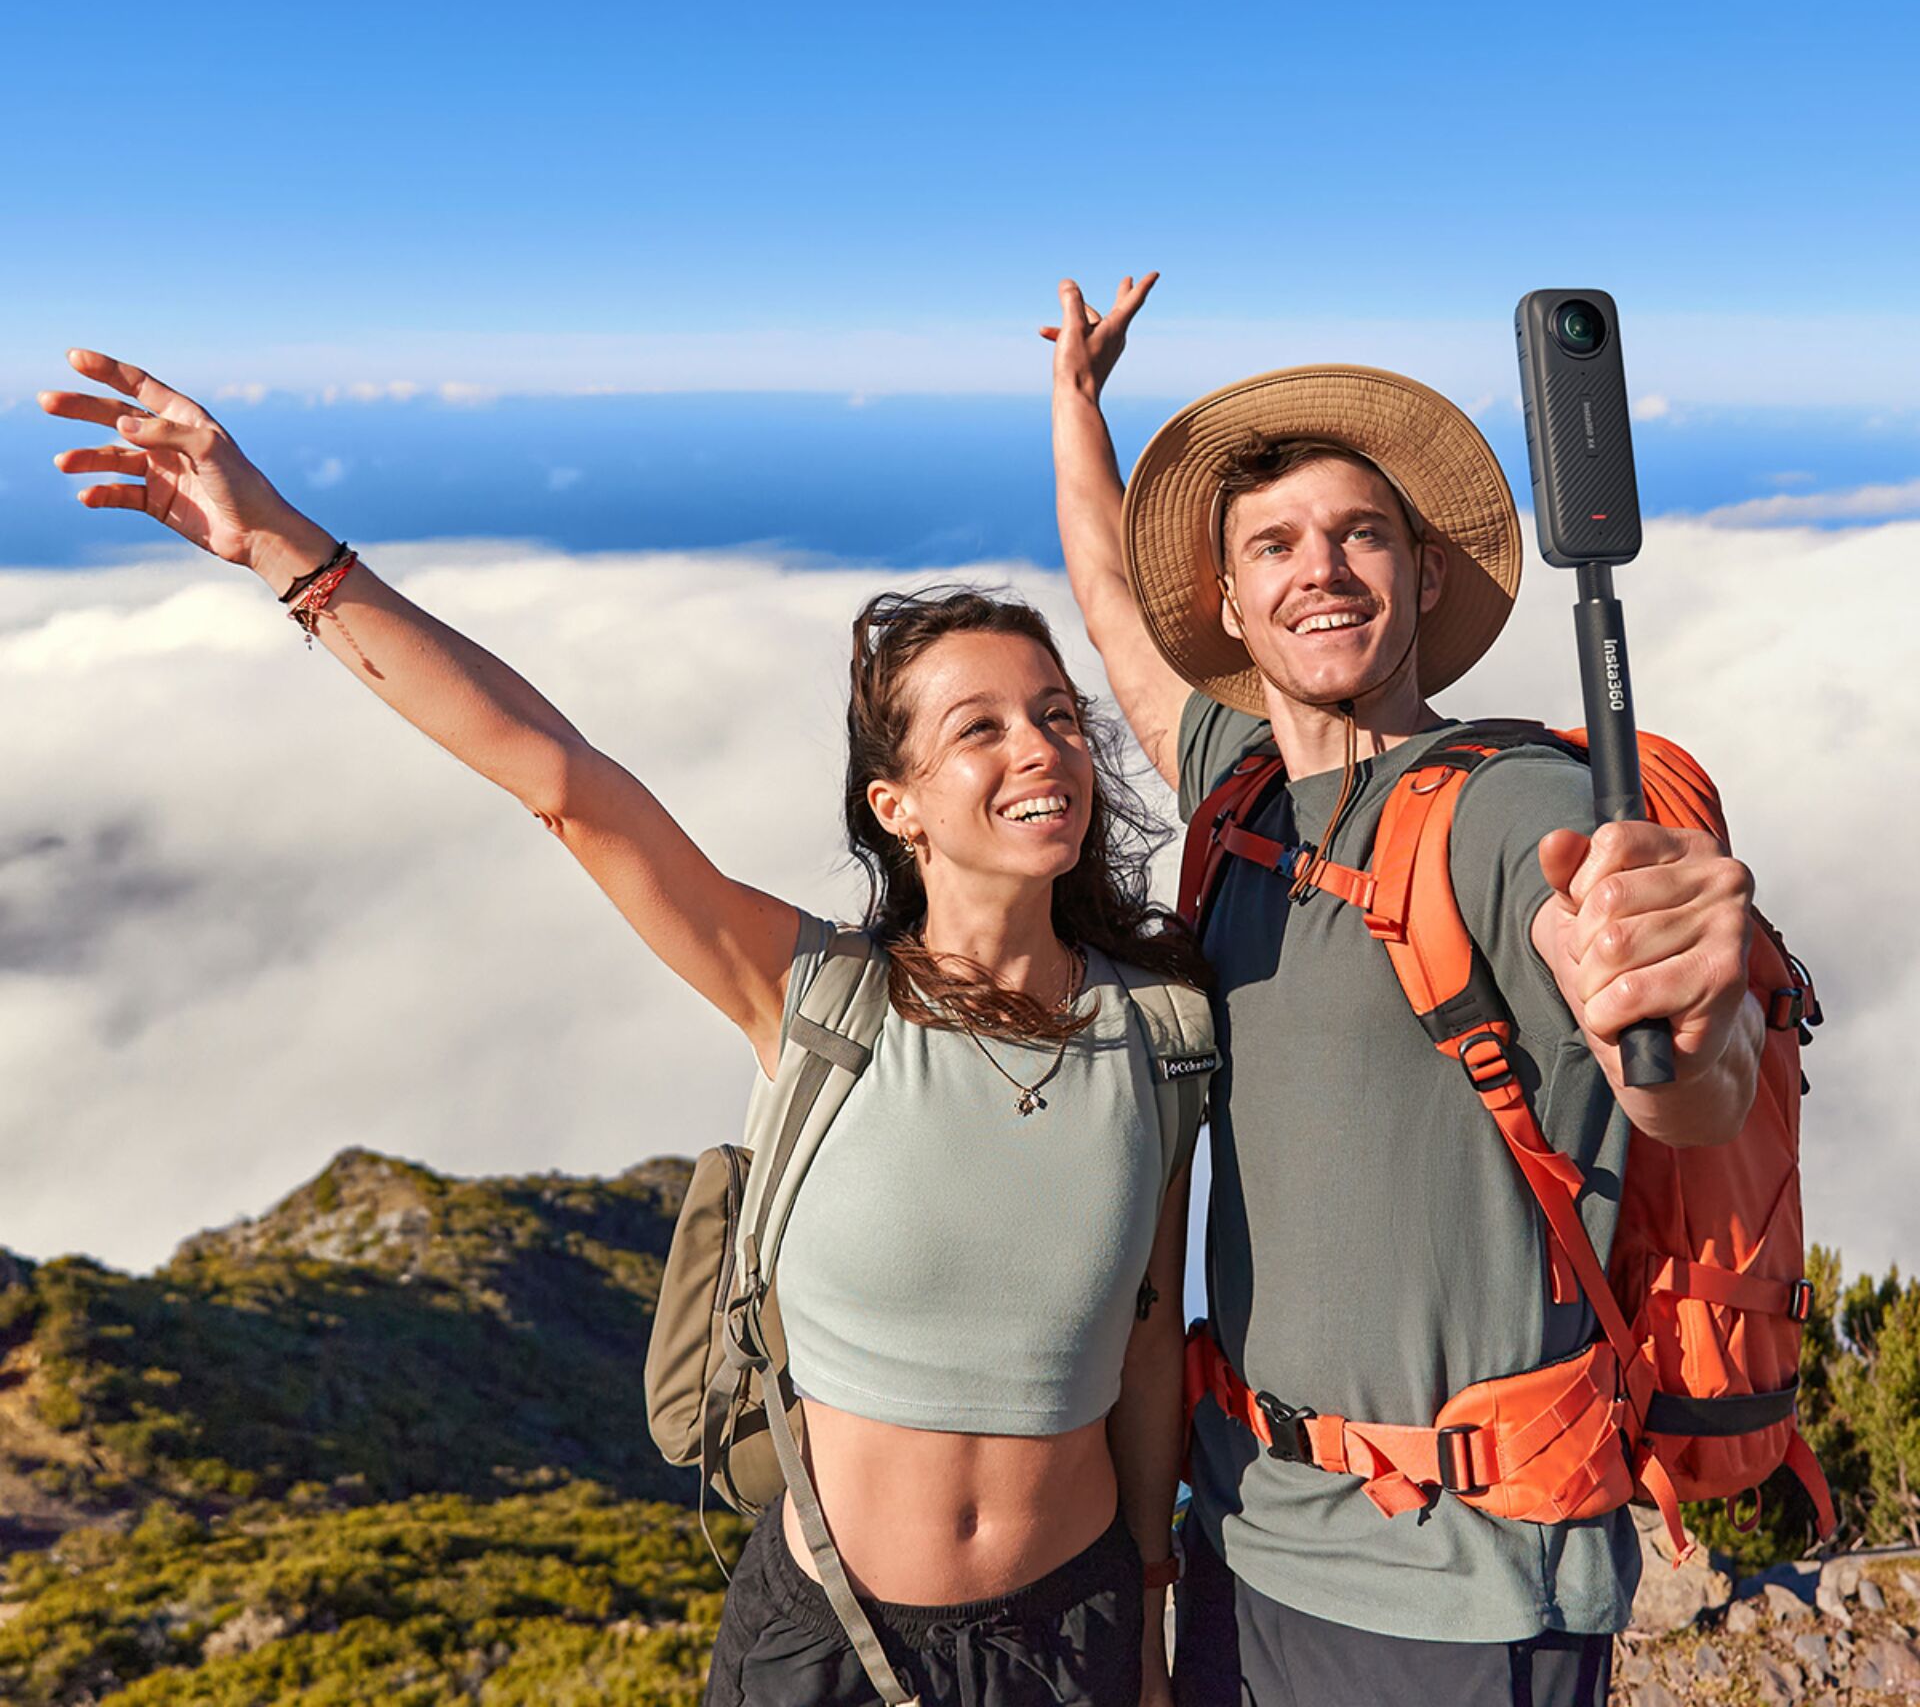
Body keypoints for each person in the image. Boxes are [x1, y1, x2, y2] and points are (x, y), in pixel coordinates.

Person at [40, 348, 1210, 1707]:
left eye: (1058, 716)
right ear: (896, 806)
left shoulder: (1160, 1033)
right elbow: (561, 782)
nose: (1043, 748)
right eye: (982, 729)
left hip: (1072, 1642)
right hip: (828, 1648)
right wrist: (281, 549)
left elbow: (1146, 1349)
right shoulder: (815, 998)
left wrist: (1149, 1619)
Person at [1042, 280, 1763, 1707]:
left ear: (1425, 577)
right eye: (1275, 546)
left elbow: (1684, 1085)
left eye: (1360, 534)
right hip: (1243, 1533)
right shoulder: (1241, 794)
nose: (1320, 569)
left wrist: (1689, 1020)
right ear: (1231, 606)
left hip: (1458, 1591)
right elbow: (1112, 611)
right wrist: (1076, 407)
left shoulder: (1509, 810)